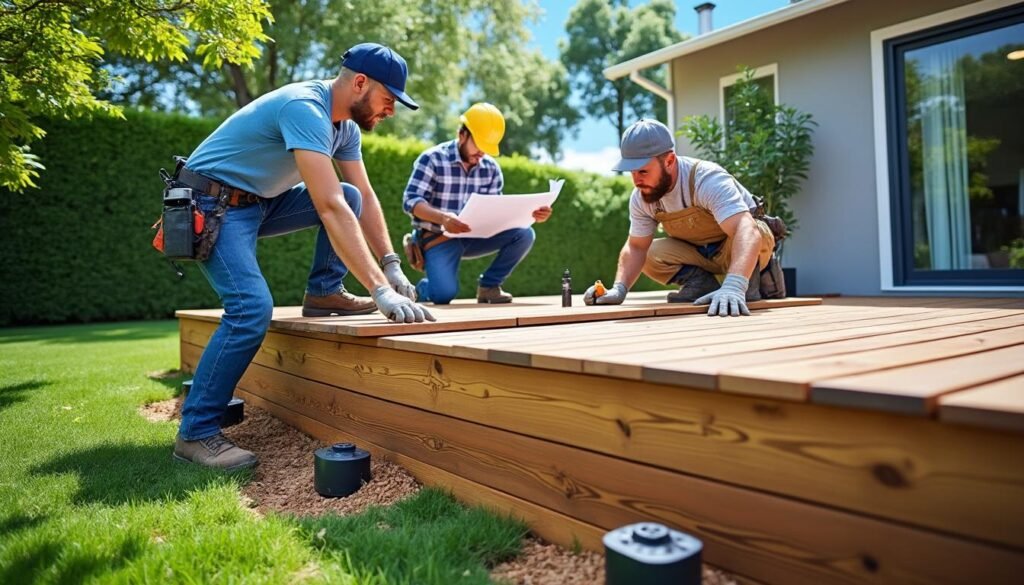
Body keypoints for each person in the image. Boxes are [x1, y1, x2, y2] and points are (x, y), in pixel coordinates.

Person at [171, 43, 435, 471]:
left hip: (256, 202)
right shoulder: (304, 108)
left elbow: (361, 197)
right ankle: (196, 433)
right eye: (389, 101)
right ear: (360, 83)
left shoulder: (343, 128)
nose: (391, 111)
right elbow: (328, 206)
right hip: (210, 205)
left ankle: (324, 293)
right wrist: (380, 291)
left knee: (350, 194)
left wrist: (390, 262)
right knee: (250, 309)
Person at [584, 119, 785, 317]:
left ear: (669, 161)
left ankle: (748, 280)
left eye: (643, 171)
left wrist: (734, 286)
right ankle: (703, 284)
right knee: (649, 252)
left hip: (739, 248)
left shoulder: (706, 179)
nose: (637, 180)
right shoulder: (642, 197)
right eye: (632, 172)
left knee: (755, 229)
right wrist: (619, 290)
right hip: (699, 255)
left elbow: (745, 230)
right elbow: (636, 247)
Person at [402, 103, 552, 304]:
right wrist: (443, 218)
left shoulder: (491, 169)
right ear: (463, 134)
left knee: (524, 234)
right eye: (479, 145)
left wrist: (530, 216)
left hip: (476, 237)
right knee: (444, 295)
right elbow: (411, 200)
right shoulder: (432, 159)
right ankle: (421, 289)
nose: (482, 153)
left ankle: (489, 287)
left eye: (486, 148)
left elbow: (496, 212)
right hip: (439, 237)